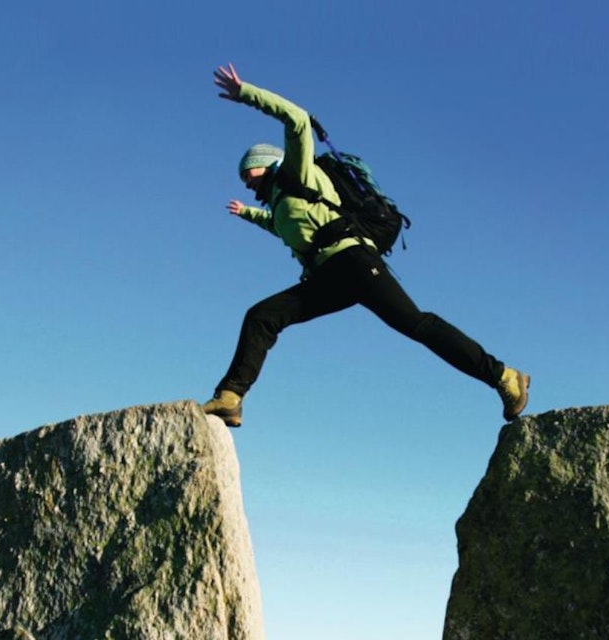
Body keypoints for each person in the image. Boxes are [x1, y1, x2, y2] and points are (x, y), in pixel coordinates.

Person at [201, 63, 529, 428]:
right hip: (327, 276)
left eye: (249, 174)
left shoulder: (297, 172)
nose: (247, 183)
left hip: (354, 261)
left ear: (266, 163)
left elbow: (296, 119)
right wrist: (246, 212)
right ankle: (231, 397)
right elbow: (280, 228)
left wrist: (246, 93)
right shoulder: (281, 208)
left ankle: (504, 376)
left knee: (416, 325)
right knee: (262, 316)